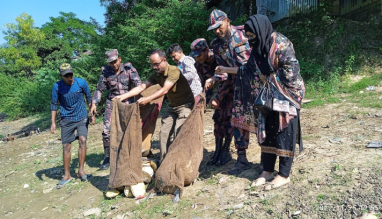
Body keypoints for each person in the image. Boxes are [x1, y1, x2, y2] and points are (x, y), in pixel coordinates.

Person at [221, 15, 305, 190]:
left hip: (287, 95)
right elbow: (249, 69)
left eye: (253, 36)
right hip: (268, 97)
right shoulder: (258, 47)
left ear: (261, 30)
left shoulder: (281, 44)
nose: (251, 40)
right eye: (248, 36)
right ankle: (267, 170)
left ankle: (283, 174)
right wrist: (227, 70)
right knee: (267, 131)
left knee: (283, 132)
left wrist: (268, 78)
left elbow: (291, 71)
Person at [113, 49, 195, 162]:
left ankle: (181, 162)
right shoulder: (156, 75)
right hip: (173, 106)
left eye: (156, 64)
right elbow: (142, 87)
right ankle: (164, 162)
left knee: (179, 132)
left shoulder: (173, 71)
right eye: (152, 64)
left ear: (164, 60)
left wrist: (147, 99)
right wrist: (123, 96)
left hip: (185, 105)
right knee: (164, 134)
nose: (154, 67)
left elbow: (164, 90)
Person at [205, 9, 252, 174]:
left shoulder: (245, 35)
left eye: (220, 26)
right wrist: (214, 79)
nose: (218, 31)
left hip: (253, 85)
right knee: (238, 121)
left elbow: (251, 66)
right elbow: (223, 72)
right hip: (235, 88)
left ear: (227, 21)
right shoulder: (216, 46)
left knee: (262, 122)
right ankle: (242, 159)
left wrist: (225, 69)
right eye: (214, 29)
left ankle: (268, 161)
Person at [89, 49, 142, 170]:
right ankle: (108, 157)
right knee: (106, 131)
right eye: (111, 62)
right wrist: (94, 103)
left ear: (119, 58)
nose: (114, 64)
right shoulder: (105, 72)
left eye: (115, 61)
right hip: (112, 102)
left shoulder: (129, 69)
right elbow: (99, 89)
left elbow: (139, 85)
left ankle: (131, 154)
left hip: (127, 101)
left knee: (129, 129)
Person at [190, 38, 232, 166]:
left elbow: (227, 78)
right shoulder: (199, 65)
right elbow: (205, 86)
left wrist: (217, 98)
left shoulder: (219, 57)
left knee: (229, 119)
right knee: (218, 119)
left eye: (199, 55)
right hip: (218, 94)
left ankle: (226, 150)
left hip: (232, 89)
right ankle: (217, 150)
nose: (198, 58)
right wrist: (204, 102)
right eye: (195, 56)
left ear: (207, 50)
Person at [50, 63, 93, 189]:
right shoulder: (57, 86)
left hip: (81, 116)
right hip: (66, 119)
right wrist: (53, 122)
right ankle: (67, 175)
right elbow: (54, 104)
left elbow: (89, 97)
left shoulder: (81, 83)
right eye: (66, 76)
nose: (70, 77)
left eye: (71, 74)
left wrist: (92, 112)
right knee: (66, 146)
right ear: (61, 76)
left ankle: (81, 171)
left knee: (82, 139)